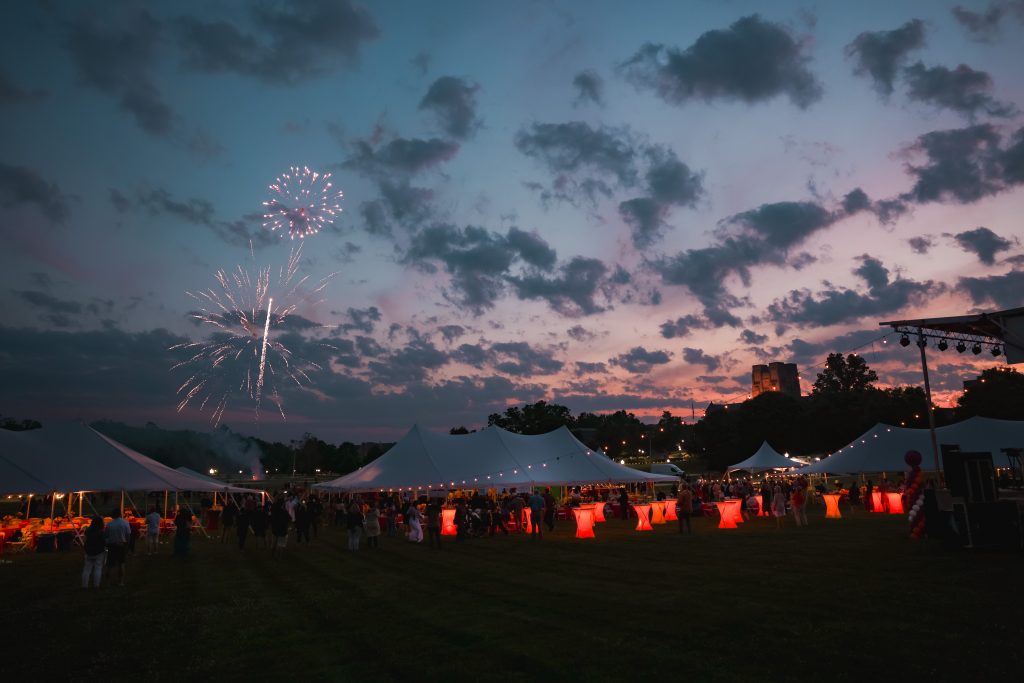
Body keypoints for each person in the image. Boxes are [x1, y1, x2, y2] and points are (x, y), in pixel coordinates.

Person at [105, 509, 131, 586]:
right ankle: (121, 581)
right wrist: (127, 545)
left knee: (109, 564)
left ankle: (108, 582)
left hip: (112, 545)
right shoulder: (125, 523)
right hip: (121, 545)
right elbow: (128, 535)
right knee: (121, 563)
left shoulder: (109, 524)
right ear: (120, 514)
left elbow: (106, 536)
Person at [81, 516, 106, 589]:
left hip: (88, 551)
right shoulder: (101, 532)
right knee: (98, 568)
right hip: (98, 552)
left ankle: (84, 585)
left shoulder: (88, 531)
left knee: (87, 569)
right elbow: (103, 541)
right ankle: (96, 585)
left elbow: (85, 539)